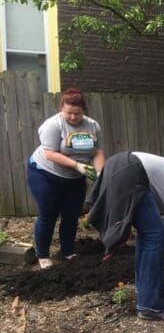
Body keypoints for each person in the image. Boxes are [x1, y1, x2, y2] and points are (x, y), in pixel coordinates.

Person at [86, 151, 164, 321]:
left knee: (150, 234)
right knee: (155, 236)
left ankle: (144, 291)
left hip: (119, 164)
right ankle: (151, 306)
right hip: (131, 170)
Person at [27, 88, 105, 269]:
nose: (72, 117)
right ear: (62, 108)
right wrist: (77, 165)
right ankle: (43, 255)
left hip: (74, 178)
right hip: (45, 174)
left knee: (71, 215)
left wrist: (100, 173)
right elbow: (50, 154)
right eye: (68, 112)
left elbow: (97, 151)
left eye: (77, 113)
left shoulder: (92, 125)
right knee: (48, 214)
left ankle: (68, 252)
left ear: (83, 111)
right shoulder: (53, 125)